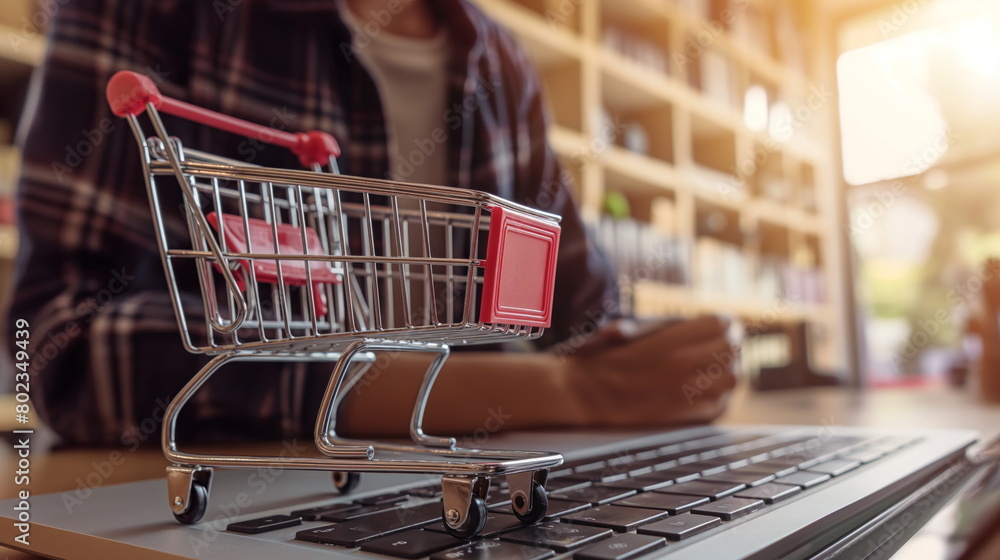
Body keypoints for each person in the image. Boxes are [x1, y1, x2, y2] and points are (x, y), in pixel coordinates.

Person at [7, 0, 735, 446]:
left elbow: (582, 318)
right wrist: (566, 394)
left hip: (471, 472)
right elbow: (59, 348)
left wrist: (657, 358)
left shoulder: (503, 69)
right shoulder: (152, 11)